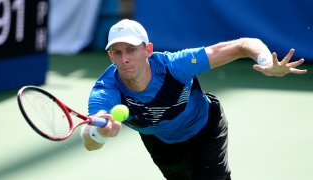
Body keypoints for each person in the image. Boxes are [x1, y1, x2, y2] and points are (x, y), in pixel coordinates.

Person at [80, 19, 307, 180]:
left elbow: (243, 45)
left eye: (131, 50)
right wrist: (100, 132)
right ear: (110, 56)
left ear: (148, 50)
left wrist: (266, 62)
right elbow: (90, 142)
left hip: (204, 129)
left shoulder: (176, 66)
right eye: (117, 53)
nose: (125, 58)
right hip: (161, 144)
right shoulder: (105, 90)